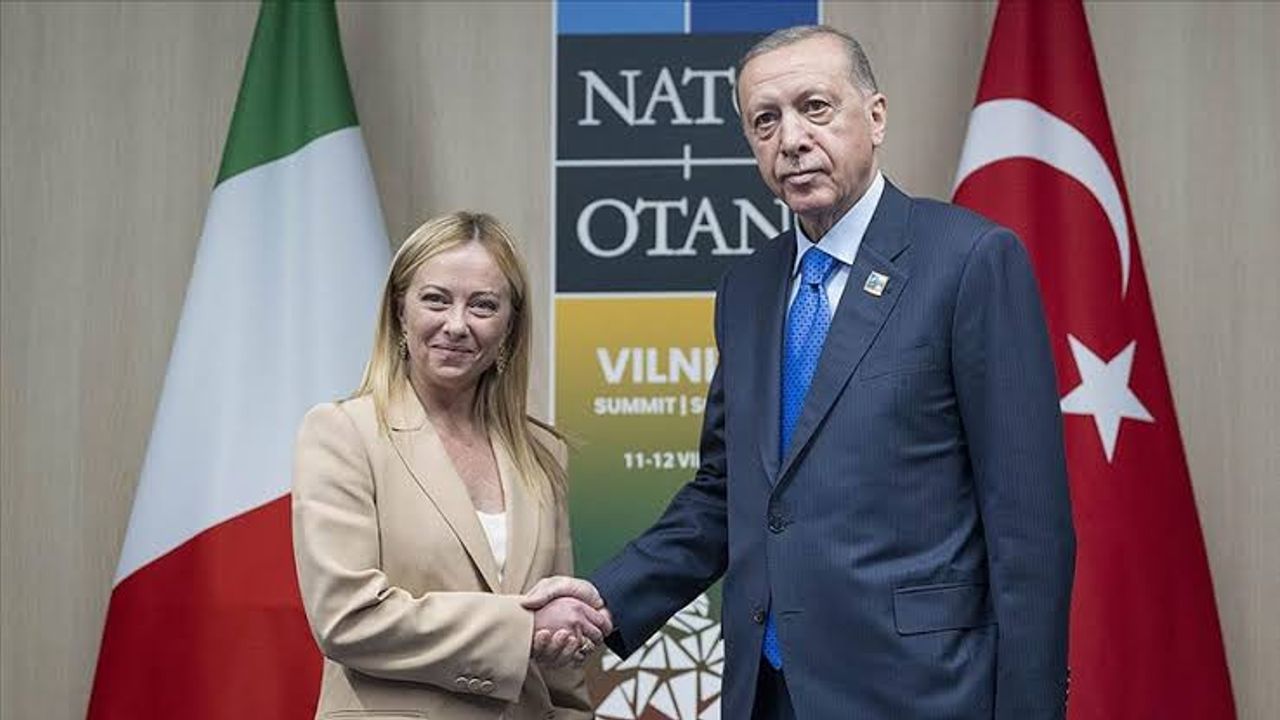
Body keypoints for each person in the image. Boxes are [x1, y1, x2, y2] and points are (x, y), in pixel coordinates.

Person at [523, 25, 1076, 720]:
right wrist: (607, 599)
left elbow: (1029, 524)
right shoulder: (747, 288)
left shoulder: (969, 261)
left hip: (921, 692)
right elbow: (728, 493)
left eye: (815, 107)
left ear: (876, 118)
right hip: (766, 692)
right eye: (765, 120)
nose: (790, 139)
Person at [292, 211, 608, 720]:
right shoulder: (342, 432)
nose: (457, 325)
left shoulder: (542, 451)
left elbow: (561, 674)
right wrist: (520, 629)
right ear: (400, 310)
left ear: (509, 326)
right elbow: (347, 619)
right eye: (436, 299)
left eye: (483, 305)